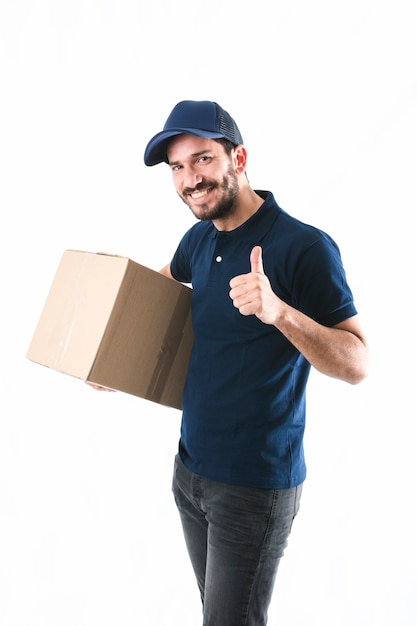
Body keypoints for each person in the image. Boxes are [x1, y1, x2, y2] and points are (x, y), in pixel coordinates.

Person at [143, 100, 370, 626]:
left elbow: (358, 363)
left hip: (253, 485)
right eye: (177, 168)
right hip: (190, 470)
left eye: (201, 160)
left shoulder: (302, 246)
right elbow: (149, 295)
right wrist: (105, 354)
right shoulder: (198, 239)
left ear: (238, 158)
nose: (189, 180)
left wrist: (280, 311)